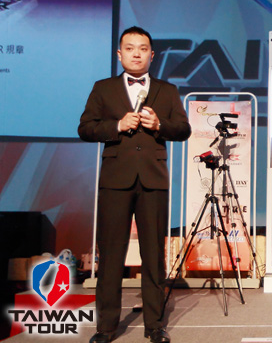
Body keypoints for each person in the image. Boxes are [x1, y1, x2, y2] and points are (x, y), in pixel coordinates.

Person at [79, 26, 191, 343]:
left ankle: (155, 325)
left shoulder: (167, 90)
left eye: (143, 49)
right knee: (111, 254)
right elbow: (85, 128)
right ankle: (106, 327)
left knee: (153, 255)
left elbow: (183, 129)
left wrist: (160, 124)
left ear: (152, 55)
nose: (136, 54)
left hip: (153, 180)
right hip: (115, 179)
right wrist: (116, 125)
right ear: (120, 54)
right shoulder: (103, 88)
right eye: (130, 48)